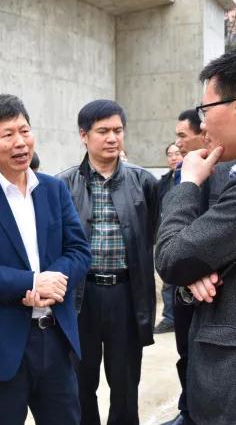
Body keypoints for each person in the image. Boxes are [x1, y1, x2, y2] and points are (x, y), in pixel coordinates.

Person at [0, 94, 91, 425]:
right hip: (0, 346)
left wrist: (54, 281)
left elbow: (79, 251)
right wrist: (31, 283)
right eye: (8, 134)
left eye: (24, 131)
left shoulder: (53, 190)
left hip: (55, 338)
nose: (20, 142)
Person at [156, 47, 236, 425]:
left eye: (206, 110)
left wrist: (188, 182)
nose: (202, 124)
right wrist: (197, 266)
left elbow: (172, 257)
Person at [57, 99, 159, 425]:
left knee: (125, 382)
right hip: (80, 296)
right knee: (79, 382)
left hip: (125, 294)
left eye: (118, 130)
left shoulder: (144, 182)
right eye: (103, 131)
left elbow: (156, 233)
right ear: (83, 135)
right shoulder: (63, 185)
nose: (112, 138)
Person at [154, 142, 182, 335]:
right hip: (166, 233)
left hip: (186, 232)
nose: (173, 157)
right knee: (167, 276)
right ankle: (169, 317)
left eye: (177, 153)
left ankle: (179, 317)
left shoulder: (193, 176)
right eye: (170, 154)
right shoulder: (163, 182)